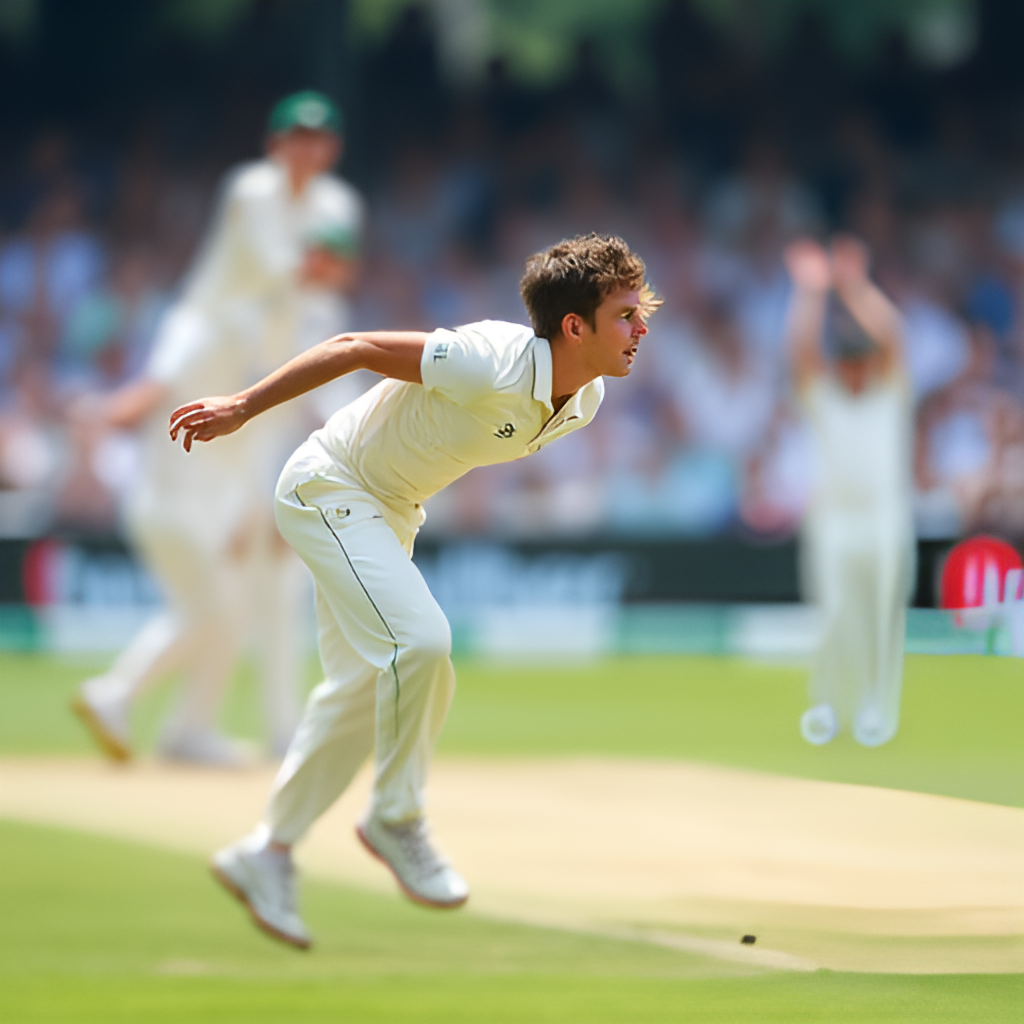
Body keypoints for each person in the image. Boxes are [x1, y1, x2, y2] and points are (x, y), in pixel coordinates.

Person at [167, 233, 658, 948]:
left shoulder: (586, 402)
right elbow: (354, 345)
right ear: (574, 326)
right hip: (328, 485)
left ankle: (265, 853)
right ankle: (395, 817)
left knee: (358, 695)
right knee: (422, 645)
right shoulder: (489, 356)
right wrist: (243, 407)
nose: (642, 327)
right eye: (625, 314)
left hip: (391, 514)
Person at [71, 91, 364, 765]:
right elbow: (280, 269)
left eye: (319, 139)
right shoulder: (215, 294)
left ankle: (229, 728)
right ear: (274, 142)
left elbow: (326, 288)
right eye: (295, 136)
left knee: (276, 582)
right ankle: (157, 710)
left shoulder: (334, 221)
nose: (306, 150)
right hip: (225, 418)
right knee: (226, 599)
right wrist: (112, 412)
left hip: (263, 408)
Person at [784, 236, 914, 748]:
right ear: (840, 365)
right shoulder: (826, 397)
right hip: (834, 518)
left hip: (884, 516)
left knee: (883, 613)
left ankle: (877, 711)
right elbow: (800, 352)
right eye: (849, 362)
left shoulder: (892, 394)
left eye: (864, 361)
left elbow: (894, 337)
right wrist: (811, 293)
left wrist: (855, 286)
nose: (857, 370)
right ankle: (825, 706)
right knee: (833, 612)